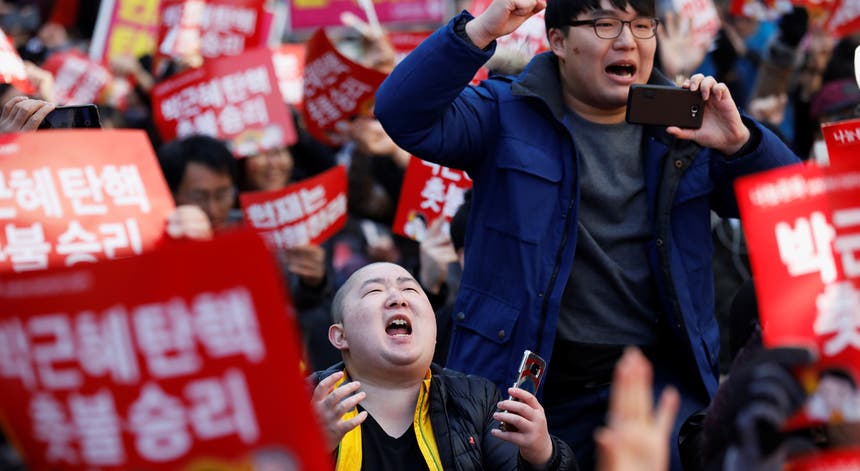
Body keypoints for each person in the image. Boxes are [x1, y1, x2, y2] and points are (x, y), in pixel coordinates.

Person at [373, 0, 803, 467]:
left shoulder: (687, 126)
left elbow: (794, 206)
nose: (627, 41)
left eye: (642, 25)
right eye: (605, 25)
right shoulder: (506, 111)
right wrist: (481, 30)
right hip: (523, 392)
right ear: (557, 40)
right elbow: (401, 113)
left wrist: (742, 144)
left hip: (654, 390)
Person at [309, 262, 577, 470]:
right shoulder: (303, 401)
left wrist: (543, 456)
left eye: (410, 290)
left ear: (434, 329)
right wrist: (308, 449)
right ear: (339, 336)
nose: (397, 299)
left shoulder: (476, 399)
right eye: (374, 291)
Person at [157, 134, 240, 231]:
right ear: (171, 194)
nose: (213, 211)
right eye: (199, 198)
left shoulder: (247, 229)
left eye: (221, 195)